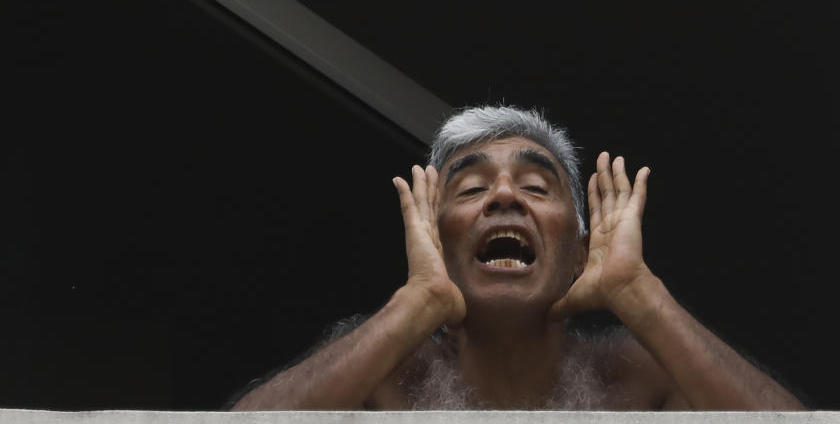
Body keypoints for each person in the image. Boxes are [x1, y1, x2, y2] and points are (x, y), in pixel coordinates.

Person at [230, 106, 804, 410]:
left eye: (534, 186)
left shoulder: (639, 380)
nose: (504, 195)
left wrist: (639, 294)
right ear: (433, 240)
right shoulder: (384, 379)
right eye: (473, 189)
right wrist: (417, 302)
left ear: (581, 253)